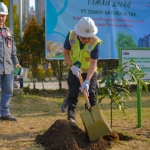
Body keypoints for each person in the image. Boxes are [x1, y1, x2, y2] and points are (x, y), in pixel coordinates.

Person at [63, 17, 102, 122]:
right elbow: (66, 53)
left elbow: (93, 64)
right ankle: (71, 120)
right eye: (83, 37)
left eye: (88, 37)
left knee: (91, 95)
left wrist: (87, 81)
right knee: (73, 94)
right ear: (78, 33)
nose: (86, 40)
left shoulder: (95, 43)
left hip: (89, 72)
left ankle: (91, 121)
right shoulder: (71, 35)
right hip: (75, 70)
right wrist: (72, 67)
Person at [0, 2, 21, 121]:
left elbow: (13, 50)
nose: (1, 18)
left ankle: (4, 113)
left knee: (8, 90)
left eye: (3, 15)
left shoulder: (9, 32)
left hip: (8, 67)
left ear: (6, 16)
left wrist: (16, 62)